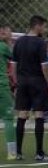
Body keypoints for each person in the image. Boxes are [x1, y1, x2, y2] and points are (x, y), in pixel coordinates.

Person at [12, 15, 48, 161]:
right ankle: (39, 152)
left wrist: (16, 82)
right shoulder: (41, 43)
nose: (45, 29)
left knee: (22, 114)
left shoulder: (19, 41)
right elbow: (44, 66)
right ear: (37, 26)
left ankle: (18, 152)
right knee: (39, 114)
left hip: (23, 82)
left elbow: (14, 65)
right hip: (37, 81)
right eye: (44, 26)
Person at [0, 24, 17, 160]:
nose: (10, 35)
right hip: (1, 86)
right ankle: (12, 152)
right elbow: (13, 58)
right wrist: (8, 42)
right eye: (9, 33)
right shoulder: (4, 47)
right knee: (8, 118)